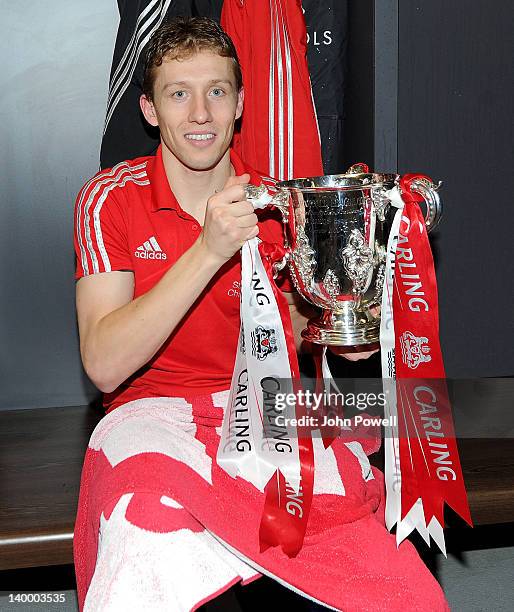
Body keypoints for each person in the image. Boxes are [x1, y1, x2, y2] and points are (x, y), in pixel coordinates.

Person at [73, 17, 449, 612]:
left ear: (241, 102)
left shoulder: (282, 204)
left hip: (270, 410)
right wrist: (208, 250)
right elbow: (103, 364)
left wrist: (341, 330)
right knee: (150, 553)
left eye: (216, 91)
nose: (200, 113)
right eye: (179, 93)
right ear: (149, 110)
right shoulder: (110, 197)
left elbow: (297, 333)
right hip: (153, 416)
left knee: (392, 587)